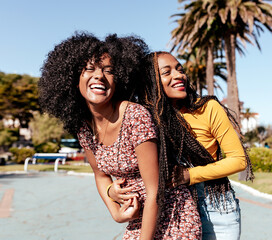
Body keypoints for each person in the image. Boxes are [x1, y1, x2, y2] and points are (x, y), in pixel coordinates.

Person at [39, 33, 201, 239]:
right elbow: (100, 175)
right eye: (89, 69)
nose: (99, 76)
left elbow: (156, 191)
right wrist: (115, 211)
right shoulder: (84, 128)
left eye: (109, 71)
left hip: (173, 217)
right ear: (73, 78)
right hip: (137, 220)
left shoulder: (135, 115)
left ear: (119, 80)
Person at [109, 51, 254, 240]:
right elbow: (129, 164)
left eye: (180, 70)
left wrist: (189, 175)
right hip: (169, 210)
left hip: (215, 207)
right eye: (166, 72)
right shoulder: (144, 117)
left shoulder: (207, 108)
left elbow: (238, 160)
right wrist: (111, 190)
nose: (179, 75)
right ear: (151, 82)